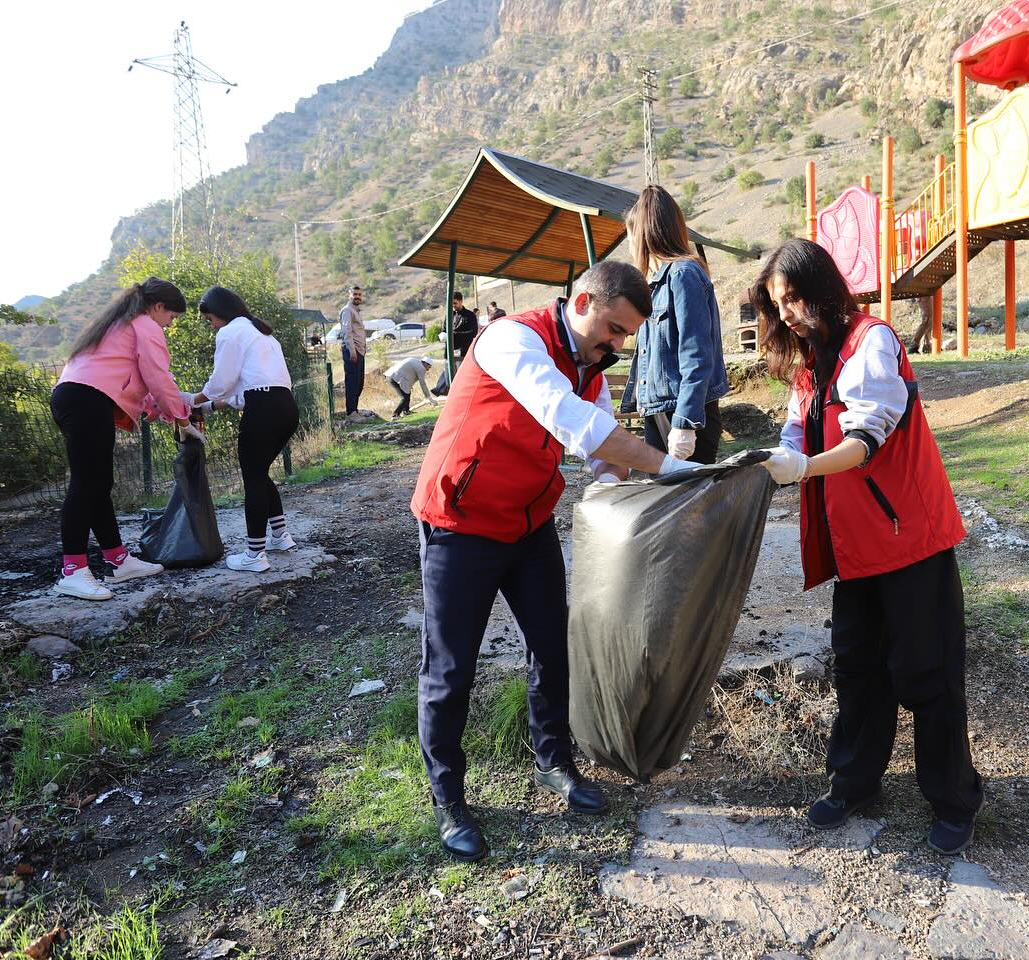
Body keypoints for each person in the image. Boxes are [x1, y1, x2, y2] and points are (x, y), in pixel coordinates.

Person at [410, 261, 691, 862]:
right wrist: (667, 467)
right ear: (584, 300)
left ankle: (553, 762)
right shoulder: (514, 340)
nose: (616, 345)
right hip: (460, 520)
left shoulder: (594, 367)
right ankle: (449, 797)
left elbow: (603, 449)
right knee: (451, 668)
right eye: (613, 329)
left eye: (624, 337)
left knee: (553, 647)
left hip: (528, 524)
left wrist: (617, 477)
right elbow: (575, 424)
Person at [751, 239, 983, 855]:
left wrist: (802, 469)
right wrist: (770, 462)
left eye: (795, 298)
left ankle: (953, 799)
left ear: (824, 287)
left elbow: (865, 438)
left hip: (910, 540)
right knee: (856, 669)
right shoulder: (812, 364)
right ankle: (854, 781)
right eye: (780, 306)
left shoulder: (871, 342)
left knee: (926, 671)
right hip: (856, 549)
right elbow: (797, 430)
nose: (790, 314)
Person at [50, 278, 200, 601]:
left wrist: (159, 408)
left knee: (99, 483)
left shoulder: (119, 323)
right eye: (171, 317)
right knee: (86, 484)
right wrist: (181, 419)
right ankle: (72, 571)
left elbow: (131, 377)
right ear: (158, 307)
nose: (170, 324)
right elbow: (158, 376)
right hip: (86, 399)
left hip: (78, 397)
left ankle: (118, 559)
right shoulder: (145, 324)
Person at [189, 287, 299, 573]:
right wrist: (211, 406)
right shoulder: (261, 332)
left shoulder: (229, 332)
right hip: (285, 407)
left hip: (263, 410)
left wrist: (193, 400)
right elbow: (242, 392)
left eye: (210, 318)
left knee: (252, 479)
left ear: (219, 313)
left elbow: (220, 383)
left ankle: (254, 554)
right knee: (259, 473)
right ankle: (280, 536)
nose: (211, 324)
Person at [624, 185, 730, 464]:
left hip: (684, 413)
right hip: (659, 410)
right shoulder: (655, 283)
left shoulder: (683, 275)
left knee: (690, 504)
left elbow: (696, 354)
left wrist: (685, 423)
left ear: (644, 233)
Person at [338, 286, 366, 417]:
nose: (357, 296)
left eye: (359, 294)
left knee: (359, 382)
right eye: (355, 294)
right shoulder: (347, 311)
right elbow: (346, 331)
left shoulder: (356, 311)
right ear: (349, 295)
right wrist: (352, 351)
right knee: (352, 382)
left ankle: (355, 410)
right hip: (352, 350)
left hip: (360, 351)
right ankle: (351, 412)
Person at [450, 293, 478, 360]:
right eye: (451, 303)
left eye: (455, 303)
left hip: (464, 352)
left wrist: (456, 334)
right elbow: (445, 329)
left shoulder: (470, 315)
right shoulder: (450, 316)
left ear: (461, 301)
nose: (453, 305)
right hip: (450, 352)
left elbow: (473, 332)